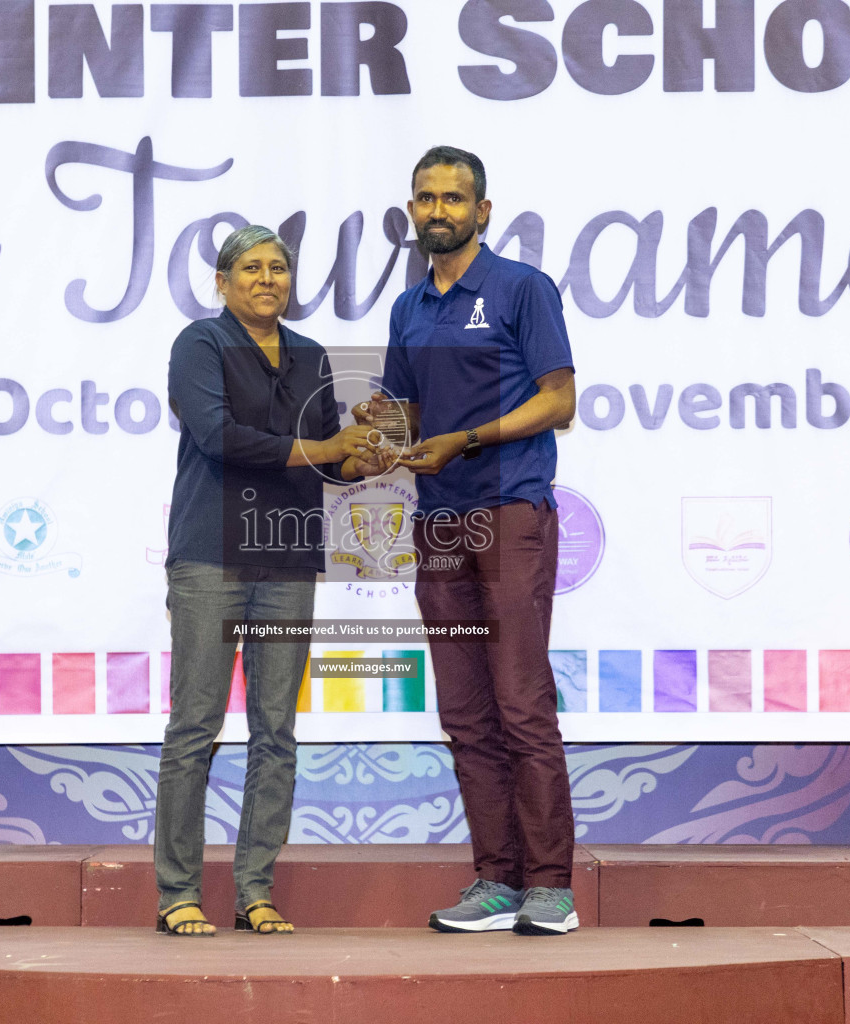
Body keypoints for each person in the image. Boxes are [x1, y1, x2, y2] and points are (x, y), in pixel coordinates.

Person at [356, 146, 579, 935]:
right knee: (466, 712)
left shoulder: (521, 288)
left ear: (484, 210)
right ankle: (497, 880)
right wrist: (382, 430)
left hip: (509, 511)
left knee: (521, 704)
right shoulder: (408, 308)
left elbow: (559, 402)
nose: (438, 209)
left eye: (454, 197)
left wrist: (469, 439)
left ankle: (551, 886)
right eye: (425, 198)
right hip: (436, 521)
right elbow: (407, 414)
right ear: (411, 211)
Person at [157, 225, 378, 936]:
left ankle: (255, 890)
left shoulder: (311, 356)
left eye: (278, 268)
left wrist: (364, 458)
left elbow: (325, 462)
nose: (266, 278)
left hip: (287, 559)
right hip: (209, 556)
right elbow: (216, 437)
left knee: (276, 731)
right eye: (250, 268)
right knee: (195, 726)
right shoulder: (200, 345)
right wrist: (324, 447)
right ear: (222, 283)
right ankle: (178, 895)